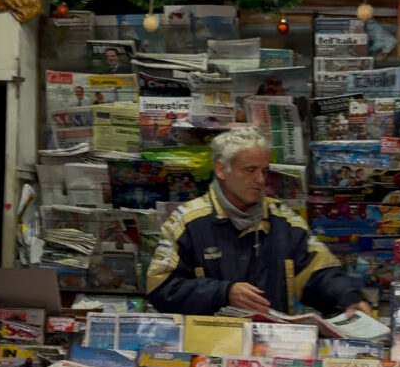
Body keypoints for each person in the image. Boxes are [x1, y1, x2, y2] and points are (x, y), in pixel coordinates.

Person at [147, 127, 369, 317]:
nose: (260, 180)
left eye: (264, 170)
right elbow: (162, 288)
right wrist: (224, 293)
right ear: (221, 169)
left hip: (271, 348)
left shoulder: (285, 221)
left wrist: (348, 297)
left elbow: (318, 273)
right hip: (209, 349)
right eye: (250, 170)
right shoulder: (187, 222)